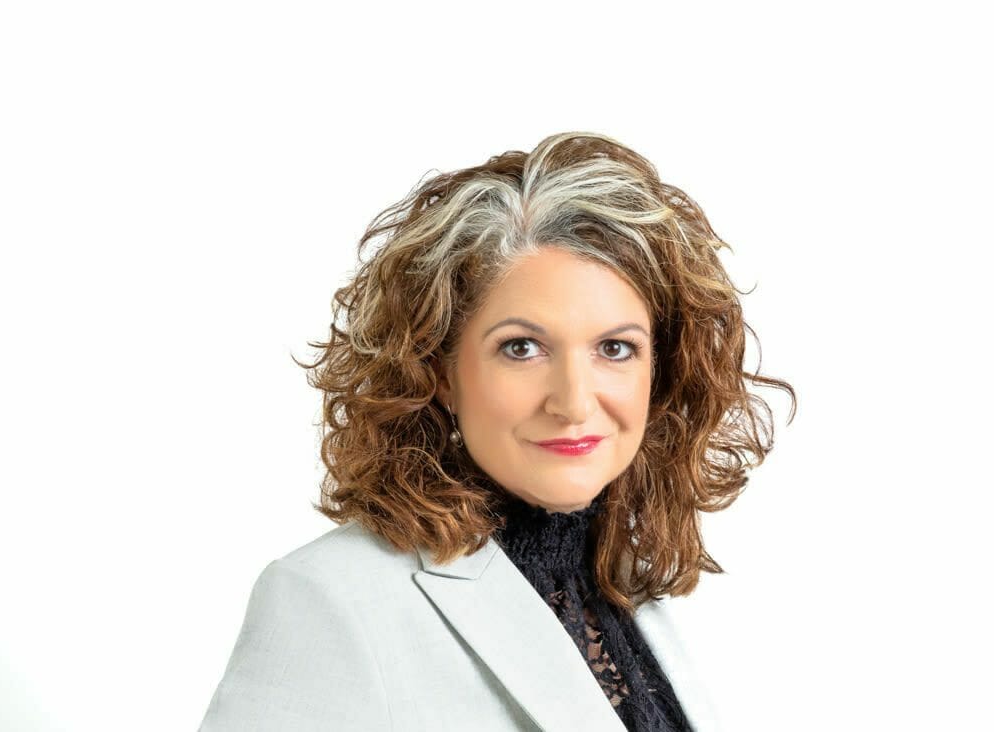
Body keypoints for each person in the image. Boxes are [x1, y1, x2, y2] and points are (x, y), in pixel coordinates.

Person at [197, 131, 796, 731]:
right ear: (440, 372)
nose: (573, 402)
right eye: (522, 348)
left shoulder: (648, 585)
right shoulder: (326, 601)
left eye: (615, 348)